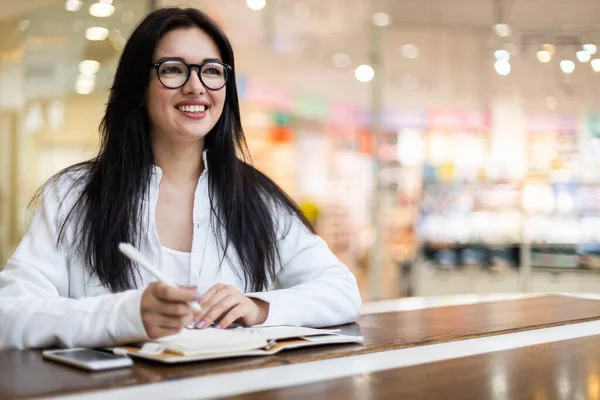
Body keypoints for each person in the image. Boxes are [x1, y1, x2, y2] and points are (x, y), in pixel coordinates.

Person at [0, 7, 361, 350]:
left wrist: (258, 307)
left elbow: (341, 291)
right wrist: (124, 315)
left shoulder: (257, 198)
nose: (196, 86)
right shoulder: (73, 195)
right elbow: (10, 314)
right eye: (173, 69)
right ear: (139, 84)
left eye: (212, 70)